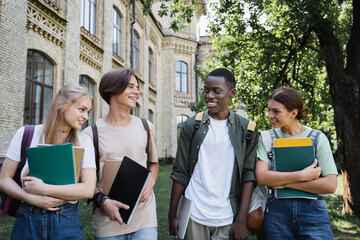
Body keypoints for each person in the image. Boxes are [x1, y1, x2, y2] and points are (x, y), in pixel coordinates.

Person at [169, 68, 259, 240]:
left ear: (232, 93)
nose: (209, 96)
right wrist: (173, 214)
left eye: (217, 91)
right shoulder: (191, 126)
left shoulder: (247, 130)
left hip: (228, 217)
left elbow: (249, 176)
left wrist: (241, 220)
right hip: (194, 214)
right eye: (206, 90)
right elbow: (180, 173)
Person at [0, 84, 97, 240]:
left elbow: (88, 190)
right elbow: (4, 179)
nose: (86, 116)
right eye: (82, 109)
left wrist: (44, 189)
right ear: (63, 106)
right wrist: (30, 198)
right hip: (28, 217)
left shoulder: (84, 142)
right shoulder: (26, 133)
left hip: (66, 220)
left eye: (88, 112)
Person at [83, 68, 159, 240]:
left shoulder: (146, 127)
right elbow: (84, 181)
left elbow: (153, 163)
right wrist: (104, 202)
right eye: (130, 87)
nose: (136, 92)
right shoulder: (91, 133)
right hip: (108, 220)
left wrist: (151, 181)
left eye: (137, 88)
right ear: (113, 89)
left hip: (144, 217)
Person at [256, 87, 338, 239]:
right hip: (277, 214)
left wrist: (280, 183)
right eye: (269, 110)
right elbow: (262, 177)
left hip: (313, 214)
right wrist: (302, 175)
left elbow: (330, 185)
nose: (269, 115)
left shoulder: (318, 138)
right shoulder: (266, 138)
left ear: (293, 113)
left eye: (276, 111)